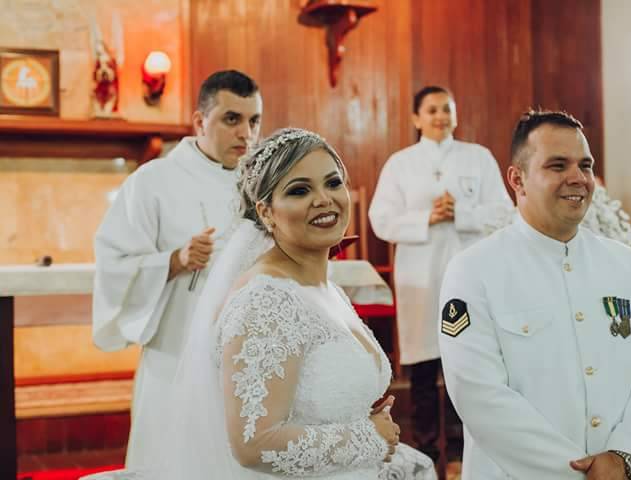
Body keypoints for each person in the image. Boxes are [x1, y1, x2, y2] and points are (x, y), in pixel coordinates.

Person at [83, 128, 436, 480]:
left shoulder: (323, 288)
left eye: (332, 183)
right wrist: (368, 437)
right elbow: (254, 444)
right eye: (300, 190)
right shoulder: (266, 301)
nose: (324, 199)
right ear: (266, 212)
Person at [438, 110, 631, 480]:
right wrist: (580, 473)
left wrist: (626, 456)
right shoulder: (473, 271)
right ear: (517, 179)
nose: (577, 178)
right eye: (557, 165)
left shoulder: (625, 264)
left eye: (585, 164)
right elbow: (479, 397)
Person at [92, 70, 263, 468]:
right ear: (200, 121)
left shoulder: (260, 183)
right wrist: (174, 260)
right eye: (232, 119)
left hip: (245, 352)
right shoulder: (153, 181)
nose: (246, 134)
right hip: (176, 351)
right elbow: (113, 263)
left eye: (254, 120)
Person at [368, 86, 513, 471]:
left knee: (467, 361)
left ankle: (465, 452)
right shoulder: (401, 164)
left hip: (469, 273)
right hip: (420, 275)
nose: (440, 116)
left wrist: (461, 212)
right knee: (424, 365)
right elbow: (380, 219)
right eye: (431, 110)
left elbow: (503, 212)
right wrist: (425, 218)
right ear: (416, 118)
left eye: (446, 109)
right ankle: (429, 451)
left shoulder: (477, 157)